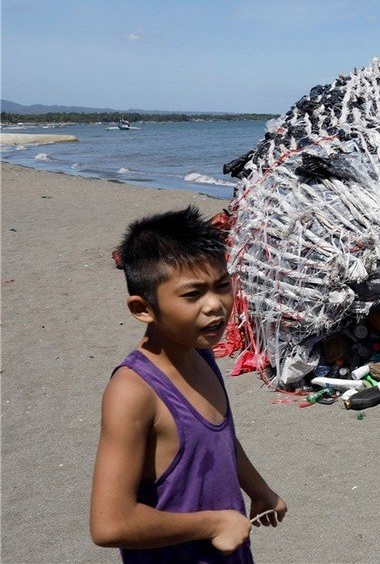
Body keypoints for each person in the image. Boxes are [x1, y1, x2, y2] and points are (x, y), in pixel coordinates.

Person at [90, 206, 286, 563]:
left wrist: (259, 490)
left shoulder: (201, 354)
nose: (215, 306)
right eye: (193, 295)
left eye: (222, 286)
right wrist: (213, 524)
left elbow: (218, 441)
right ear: (143, 308)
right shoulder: (133, 391)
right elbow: (110, 524)